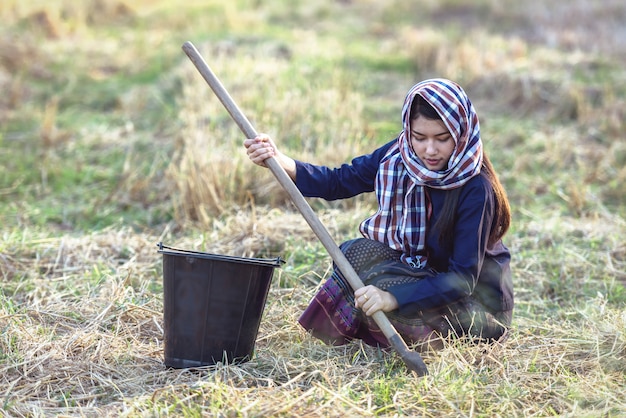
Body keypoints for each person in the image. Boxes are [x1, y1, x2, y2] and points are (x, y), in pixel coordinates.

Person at [244, 78, 513, 350]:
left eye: (442, 139)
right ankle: (382, 330)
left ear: (461, 133)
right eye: (419, 137)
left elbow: (462, 280)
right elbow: (340, 180)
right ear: (408, 131)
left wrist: (392, 297)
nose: (429, 150)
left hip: (474, 308)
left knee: (386, 289)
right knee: (354, 254)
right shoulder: (399, 155)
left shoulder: (477, 188)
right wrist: (282, 162)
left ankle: (421, 338)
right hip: (425, 275)